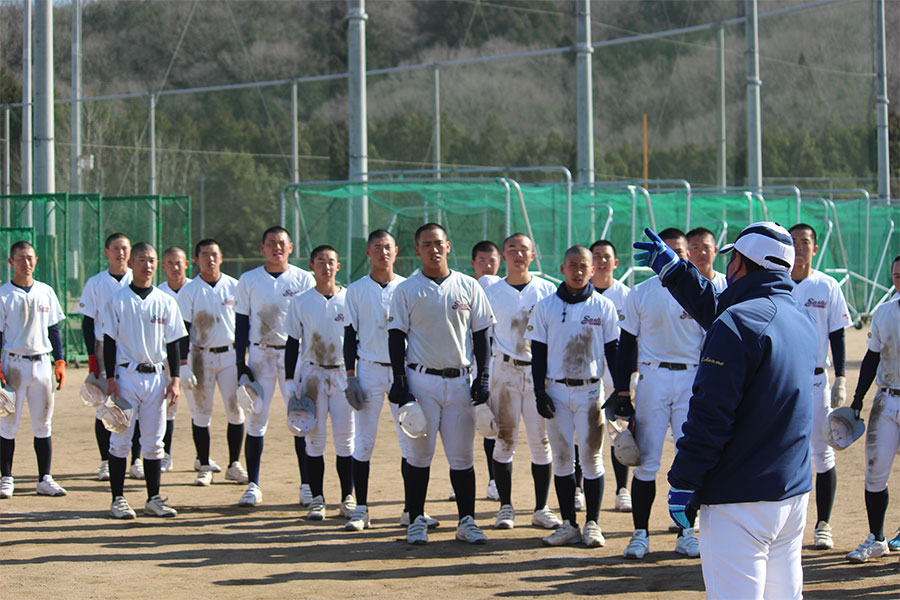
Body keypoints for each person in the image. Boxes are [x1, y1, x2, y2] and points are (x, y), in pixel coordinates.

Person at [636, 222, 816, 599]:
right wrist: (677, 272)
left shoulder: (737, 322)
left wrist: (685, 480)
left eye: (732, 256)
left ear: (741, 262)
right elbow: (728, 310)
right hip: (791, 494)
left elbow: (709, 416)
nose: (728, 265)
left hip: (739, 498)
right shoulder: (799, 317)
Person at [616, 227, 725, 560]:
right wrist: (622, 393)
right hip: (653, 377)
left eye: (679, 250)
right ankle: (640, 534)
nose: (674, 255)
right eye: (667, 249)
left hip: (692, 377)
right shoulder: (640, 292)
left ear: (687, 254)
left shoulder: (702, 291)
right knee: (645, 462)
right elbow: (625, 344)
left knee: (688, 456)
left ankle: (686, 532)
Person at [389, 223, 495, 545]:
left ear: (448, 246)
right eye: (426, 244)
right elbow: (396, 338)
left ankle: (467, 521)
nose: (433, 249)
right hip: (422, 382)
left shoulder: (468, 286)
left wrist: (484, 375)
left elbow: (481, 336)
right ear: (417, 249)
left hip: (460, 381)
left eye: (438, 243)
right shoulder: (407, 290)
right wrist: (400, 383)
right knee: (419, 456)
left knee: (462, 458)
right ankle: (416, 518)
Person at [342, 230, 440, 531]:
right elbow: (349, 336)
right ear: (368, 253)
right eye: (376, 248)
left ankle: (412, 510)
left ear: (397, 251)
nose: (383, 252)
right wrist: (351, 376)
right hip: (370, 369)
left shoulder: (407, 287)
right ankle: (361, 508)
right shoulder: (355, 290)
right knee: (364, 441)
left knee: (410, 440)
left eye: (387, 247)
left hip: (404, 371)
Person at [524, 245, 619, 546]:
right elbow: (537, 353)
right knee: (563, 460)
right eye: (572, 265)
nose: (578, 271)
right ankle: (568, 523)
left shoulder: (604, 307)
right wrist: (539, 391)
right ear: (562, 269)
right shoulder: (546, 306)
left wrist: (620, 392)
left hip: (591, 391)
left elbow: (613, 352)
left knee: (592, 459)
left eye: (584, 266)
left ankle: (592, 523)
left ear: (593, 270)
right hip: (557, 390)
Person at [102, 242, 187, 519]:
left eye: (151, 260)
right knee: (120, 440)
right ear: (132, 264)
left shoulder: (165, 301)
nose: (147, 265)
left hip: (156, 379)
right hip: (126, 375)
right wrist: (111, 379)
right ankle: (118, 499)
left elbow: (174, 343)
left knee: (153, 442)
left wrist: (175, 378)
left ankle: (153, 498)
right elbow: (109, 342)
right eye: (141, 260)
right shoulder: (118, 299)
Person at [483, 233, 560, 530]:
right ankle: (505, 506)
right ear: (503, 256)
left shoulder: (547, 290)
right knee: (504, 442)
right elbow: (482, 336)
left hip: (538, 372)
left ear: (533, 255)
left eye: (523, 249)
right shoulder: (492, 292)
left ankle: (541, 507)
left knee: (541, 443)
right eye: (512, 250)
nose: (518, 254)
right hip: (504, 371)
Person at [233, 226, 314, 506]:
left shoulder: (304, 279)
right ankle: (253, 484)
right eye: (271, 243)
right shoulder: (249, 280)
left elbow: (311, 321)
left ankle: (307, 484)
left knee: (301, 418)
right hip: (261, 355)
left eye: (282, 243)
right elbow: (241, 323)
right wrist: (239, 362)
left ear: (291, 247)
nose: (276, 248)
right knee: (256, 419)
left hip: (295, 357)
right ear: (262, 248)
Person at [788, 223, 852, 550]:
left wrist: (840, 377)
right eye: (793, 242)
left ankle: (823, 522)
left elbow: (838, 334)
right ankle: (786, 525)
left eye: (805, 242)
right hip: (782, 379)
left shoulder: (827, 286)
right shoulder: (778, 284)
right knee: (783, 451)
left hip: (815, 380)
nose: (799, 247)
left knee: (822, 452)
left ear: (815, 248)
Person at [285, 245, 355, 521]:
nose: (326, 266)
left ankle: (347, 497)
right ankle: (317, 498)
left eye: (331, 262)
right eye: (321, 262)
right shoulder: (301, 301)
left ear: (339, 266)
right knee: (314, 440)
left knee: (345, 440)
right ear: (311, 266)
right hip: (312, 373)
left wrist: (354, 374)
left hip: (341, 373)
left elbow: (355, 341)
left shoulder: (349, 299)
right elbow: (292, 342)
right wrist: (291, 380)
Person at [176, 239, 248, 487]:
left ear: (222, 256)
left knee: (235, 409)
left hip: (229, 354)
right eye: (204, 254)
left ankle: (233, 464)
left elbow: (243, 326)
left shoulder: (234, 286)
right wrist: (183, 363)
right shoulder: (189, 291)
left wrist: (242, 360)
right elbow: (183, 330)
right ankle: (204, 464)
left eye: (214, 254)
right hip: (200, 356)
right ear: (196, 260)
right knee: (201, 412)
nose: (210, 258)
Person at [0, 241, 68, 499]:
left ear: (36, 260)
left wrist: (59, 361)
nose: (25, 263)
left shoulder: (45, 291)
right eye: (20, 258)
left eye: (29, 258)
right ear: (11, 262)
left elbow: (54, 329)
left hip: (41, 363)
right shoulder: (4, 294)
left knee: (43, 424)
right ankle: (6, 477)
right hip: (14, 363)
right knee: (8, 423)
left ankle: (44, 478)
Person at [845, 254, 900, 564]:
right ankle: (876, 538)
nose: (899, 279)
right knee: (875, 473)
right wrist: (858, 397)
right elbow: (871, 358)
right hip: (887, 398)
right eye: (895, 275)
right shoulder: (883, 313)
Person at [78, 233, 143, 481]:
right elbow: (87, 323)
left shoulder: (138, 280)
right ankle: (106, 461)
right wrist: (92, 359)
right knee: (104, 407)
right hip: (105, 347)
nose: (121, 253)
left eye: (125, 248)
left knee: (135, 405)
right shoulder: (96, 283)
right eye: (116, 248)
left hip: (132, 347)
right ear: (107, 252)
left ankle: (136, 460)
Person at [589, 239, 631, 512]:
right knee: (585, 435)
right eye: (597, 257)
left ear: (616, 263)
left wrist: (627, 378)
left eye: (607, 257)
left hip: (618, 376)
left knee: (620, 434)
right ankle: (581, 488)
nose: (602, 261)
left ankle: (622, 489)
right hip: (588, 374)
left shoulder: (627, 296)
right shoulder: (579, 294)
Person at [471, 239, 502, 501]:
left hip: (496, 367)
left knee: (490, 423)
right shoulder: (468, 287)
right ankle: (460, 476)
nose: (488, 265)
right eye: (482, 260)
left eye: (492, 260)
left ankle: (494, 480)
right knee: (460, 426)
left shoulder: (503, 289)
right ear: (473, 264)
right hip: (466, 364)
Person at [157, 246, 192, 473]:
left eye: (178, 262)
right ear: (163, 267)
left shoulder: (194, 288)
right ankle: (165, 454)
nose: (175, 267)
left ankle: (203, 458)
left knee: (200, 408)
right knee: (168, 407)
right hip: (167, 357)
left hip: (196, 356)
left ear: (187, 264)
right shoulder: (159, 292)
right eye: (170, 263)